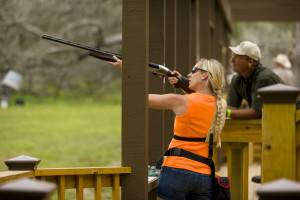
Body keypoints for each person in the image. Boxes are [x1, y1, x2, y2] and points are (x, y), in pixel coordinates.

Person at [109, 57, 227, 200]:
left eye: (193, 71)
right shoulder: (221, 105)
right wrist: (179, 81)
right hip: (204, 176)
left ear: (205, 75)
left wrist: (128, 72)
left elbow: (140, 99)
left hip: (176, 172)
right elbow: (202, 98)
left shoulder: (181, 101)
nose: (189, 75)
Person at [226, 41, 283, 119]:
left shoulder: (264, 78)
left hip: (294, 120)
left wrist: (225, 113)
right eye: (233, 55)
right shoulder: (237, 79)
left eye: (237, 56)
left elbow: (256, 113)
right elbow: (231, 108)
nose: (232, 60)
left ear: (250, 61)